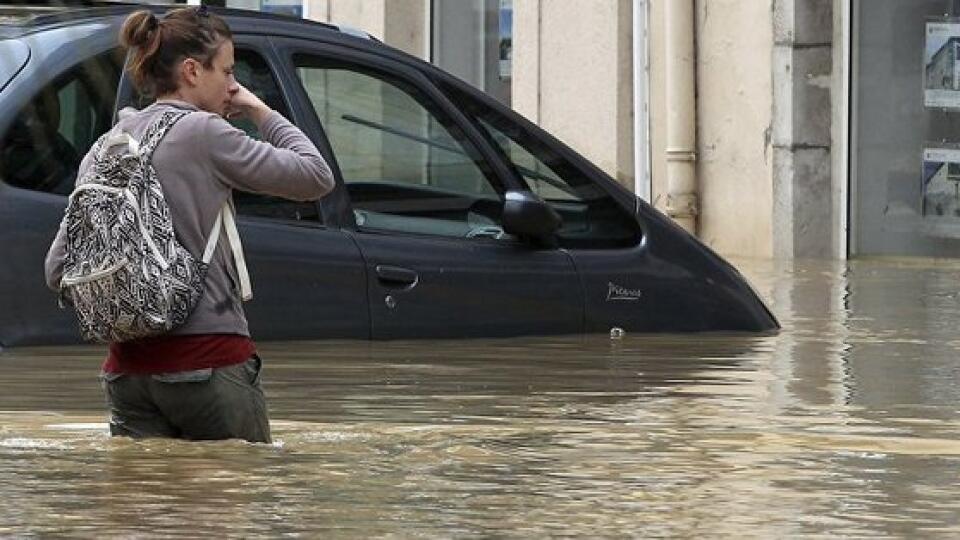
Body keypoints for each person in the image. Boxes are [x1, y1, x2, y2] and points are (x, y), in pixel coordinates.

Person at [43, 6, 335, 443]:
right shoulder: (204, 132)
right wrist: (259, 109)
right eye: (228, 71)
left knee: (148, 508)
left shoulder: (105, 147)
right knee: (235, 500)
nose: (233, 85)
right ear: (192, 71)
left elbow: (56, 269)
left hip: (127, 377)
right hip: (208, 361)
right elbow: (315, 176)